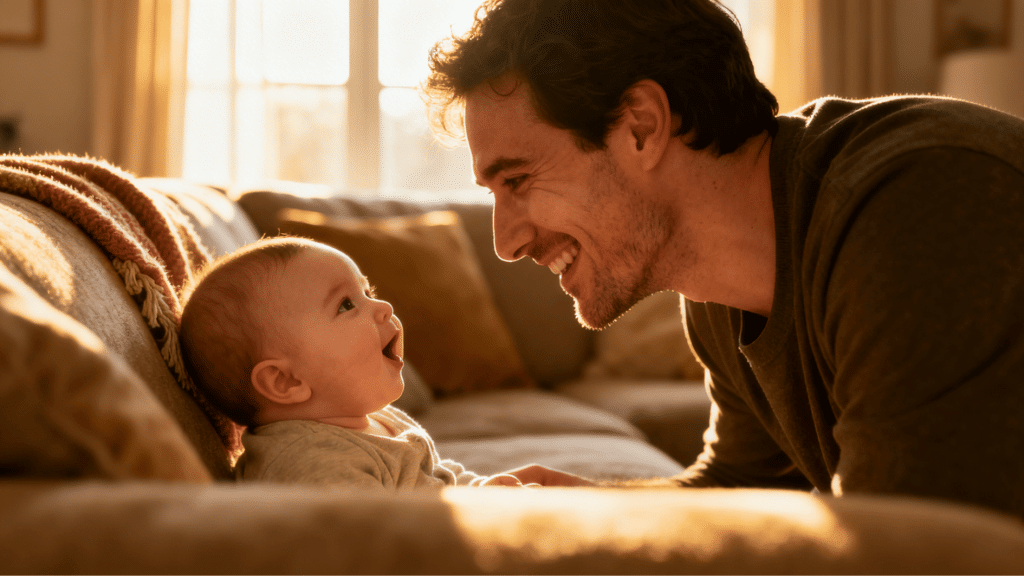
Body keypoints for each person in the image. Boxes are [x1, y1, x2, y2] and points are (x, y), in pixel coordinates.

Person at [422, 0, 1024, 515]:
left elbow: (919, 554)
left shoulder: (914, 205)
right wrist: (591, 513)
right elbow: (742, 487)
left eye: (518, 180)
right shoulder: (715, 296)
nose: (505, 242)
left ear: (641, 126)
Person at [179, 236, 575, 490]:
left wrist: (484, 491)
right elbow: (380, 550)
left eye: (367, 291)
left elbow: (438, 481)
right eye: (347, 304)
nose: (383, 307)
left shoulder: (378, 419)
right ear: (284, 381)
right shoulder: (309, 468)